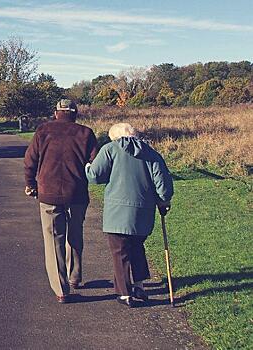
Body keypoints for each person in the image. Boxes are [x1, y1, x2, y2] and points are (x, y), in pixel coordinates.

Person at [85, 123, 173, 307]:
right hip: (143, 212)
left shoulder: (110, 149)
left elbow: (94, 176)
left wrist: (87, 166)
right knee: (137, 247)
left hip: (117, 213)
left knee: (120, 252)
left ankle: (125, 293)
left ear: (114, 137)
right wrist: (163, 201)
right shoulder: (151, 153)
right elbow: (163, 186)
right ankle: (139, 286)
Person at [24, 99, 98, 303]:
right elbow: (95, 164)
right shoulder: (86, 133)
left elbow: (30, 160)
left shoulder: (43, 131)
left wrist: (30, 184)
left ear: (56, 112)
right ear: (75, 113)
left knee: (53, 240)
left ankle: (61, 289)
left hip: (49, 193)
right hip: (77, 194)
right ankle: (74, 276)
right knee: (75, 235)